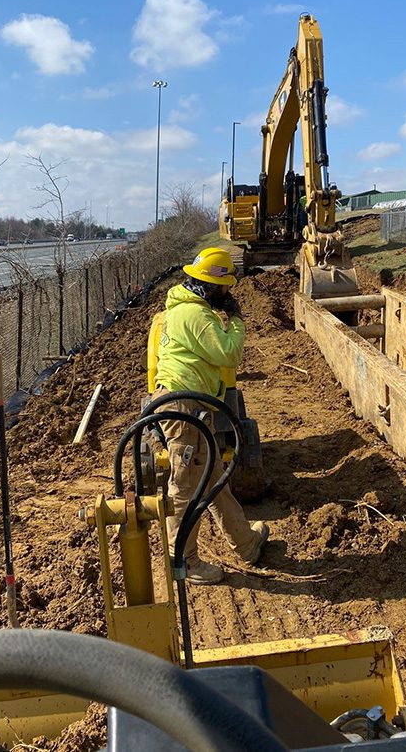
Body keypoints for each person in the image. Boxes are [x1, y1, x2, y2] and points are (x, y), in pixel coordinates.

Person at [151, 247, 268, 585]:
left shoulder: (185, 309)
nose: (228, 293)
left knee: (214, 481)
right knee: (186, 489)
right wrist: (237, 323)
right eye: (225, 288)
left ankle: (246, 544)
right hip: (183, 408)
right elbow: (229, 354)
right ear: (210, 285)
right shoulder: (195, 315)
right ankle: (184, 563)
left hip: (193, 407)